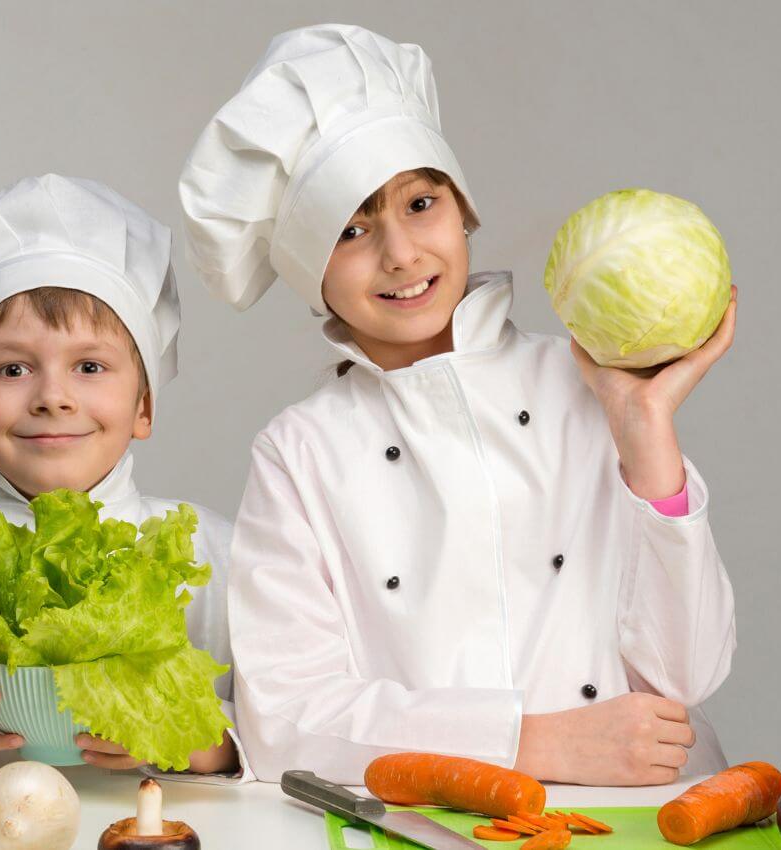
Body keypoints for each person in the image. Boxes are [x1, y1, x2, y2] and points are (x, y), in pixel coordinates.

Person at [178, 24, 738, 785]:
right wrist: (531, 744)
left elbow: (689, 674)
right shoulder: (301, 450)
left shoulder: (586, 384)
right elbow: (285, 722)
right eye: (351, 229)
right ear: (312, 271)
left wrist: (647, 432)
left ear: (462, 208)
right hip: (428, 826)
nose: (401, 253)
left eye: (420, 202)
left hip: (637, 815)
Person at [0, 174, 245, 781]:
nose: (53, 397)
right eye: (12, 369)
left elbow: (280, 735)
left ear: (144, 406)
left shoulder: (217, 555)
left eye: (90, 366)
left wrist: (196, 740)